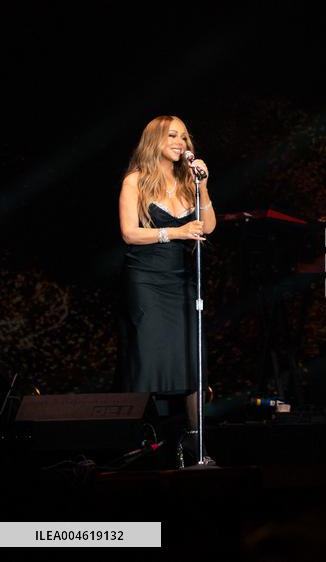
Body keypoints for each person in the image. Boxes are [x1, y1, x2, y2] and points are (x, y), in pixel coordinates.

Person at [118, 115, 216, 462]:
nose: (181, 142)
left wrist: (202, 185)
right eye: (173, 135)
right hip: (146, 279)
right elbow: (129, 233)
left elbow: (210, 225)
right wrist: (175, 232)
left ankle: (196, 443)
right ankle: (145, 441)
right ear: (155, 139)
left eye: (185, 137)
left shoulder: (188, 181)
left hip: (182, 279)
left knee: (191, 357)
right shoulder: (137, 181)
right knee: (150, 357)